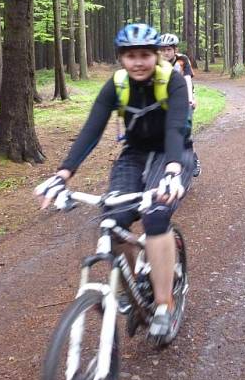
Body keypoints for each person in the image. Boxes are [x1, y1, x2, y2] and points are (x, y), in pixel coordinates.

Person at [35, 22, 194, 343]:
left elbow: (177, 127)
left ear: (156, 56)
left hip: (172, 155)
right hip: (134, 155)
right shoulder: (117, 85)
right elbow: (92, 130)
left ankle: (164, 304)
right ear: (121, 58)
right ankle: (134, 282)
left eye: (145, 55)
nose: (138, 62)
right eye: (131, 56)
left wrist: (174, 170)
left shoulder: (172, 81)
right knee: (112, 218)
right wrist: (63, 173)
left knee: (156, 215)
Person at [158, 33, 201, 177]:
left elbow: (188, 79)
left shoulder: (183, 60)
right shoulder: (157, 62)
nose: (166, 52)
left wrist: (190, 99)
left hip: (183, 97)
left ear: (175, 50)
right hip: (165, 99)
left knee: (185, 130)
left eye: (169, 49)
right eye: (163, 49)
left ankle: (193, 158)